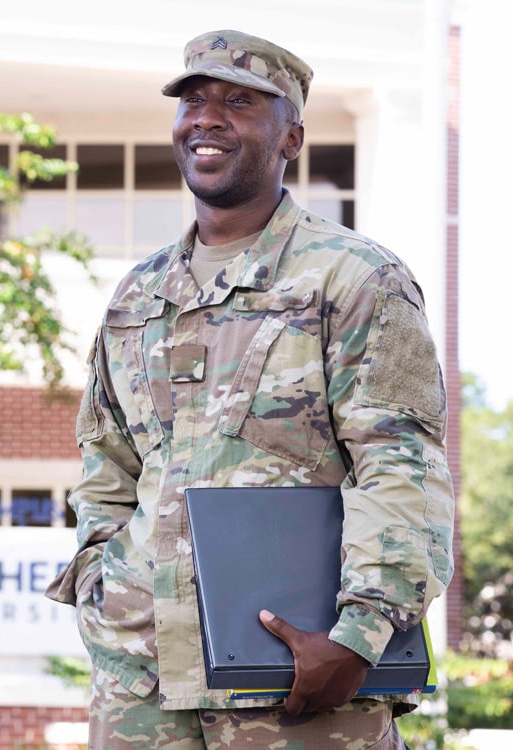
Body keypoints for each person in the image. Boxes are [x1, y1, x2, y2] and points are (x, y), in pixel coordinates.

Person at [46, 29, 455, 749]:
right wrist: (97, 586)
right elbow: (107, 464)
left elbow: (400, 468)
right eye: (194, 101)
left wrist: (360, 637)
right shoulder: (137, 295)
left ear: (290, 135)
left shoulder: (355, 278)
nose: (207, 117)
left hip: (300, 673)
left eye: (240, 102)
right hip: (139, 677)